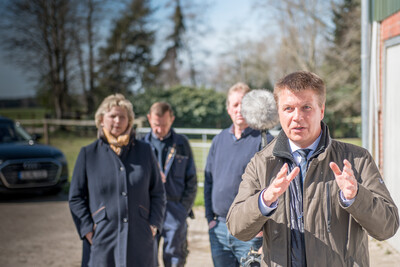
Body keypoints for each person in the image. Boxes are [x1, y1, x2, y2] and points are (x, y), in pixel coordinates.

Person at [226, 71, 399, 266]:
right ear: (279, 112)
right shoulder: (261, 163)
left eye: (306, 107)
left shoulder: (356, 159)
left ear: (322, 110)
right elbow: (237, 228)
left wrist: (356, 196)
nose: (297, 117)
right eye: (288, 108)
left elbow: (388, 227)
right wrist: (264, 200)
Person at [69, 94, 166, 267]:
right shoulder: (88, 154)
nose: (117, 121)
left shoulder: (145, 151)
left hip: (140, 239)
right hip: (102, 240)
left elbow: (158, 192)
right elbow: (76, 197)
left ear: (129, 121)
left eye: (123, 116)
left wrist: (153, 226)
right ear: (101, 119)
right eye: (112, 116)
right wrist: (88, 230)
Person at [204, 82, 274, 267]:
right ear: (228, 109)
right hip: (219, 227)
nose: (239, 109)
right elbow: (208, 180)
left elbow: (273, 187)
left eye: (244, 104)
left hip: (251, 230)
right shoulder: (219, 140)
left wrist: (262, 225)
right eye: (235, 105)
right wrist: (209, 219)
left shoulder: (265, 140)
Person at [143, 102, 197, 267]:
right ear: (149, 119)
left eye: (164, 125)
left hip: (175, 210)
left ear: (172, 120)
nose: (159, 129)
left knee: (175, 258)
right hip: (148, 210)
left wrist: (182, 210)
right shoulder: (140, 146)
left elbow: (192, 181)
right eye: (156, 125)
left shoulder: (182, 144)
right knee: (146, 257)